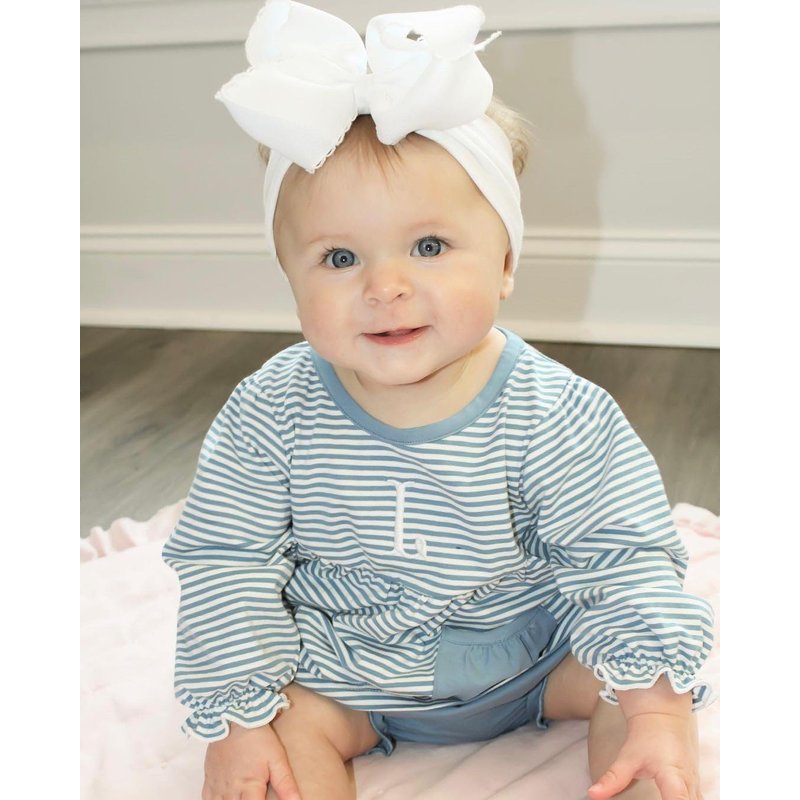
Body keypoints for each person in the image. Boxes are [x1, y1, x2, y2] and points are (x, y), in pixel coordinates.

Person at [162, 2, 714, 799]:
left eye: (429, 246)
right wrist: (238, 722)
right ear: (289, 280)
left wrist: (654, 708)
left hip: (538, 656)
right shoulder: (269, 413)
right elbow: (227, 561)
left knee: (648, 715)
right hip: (345, 672)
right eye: (340, 257)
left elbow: (619, 558)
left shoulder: (560, 415)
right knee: (274, 753)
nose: (385, 286)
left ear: (505, 262)